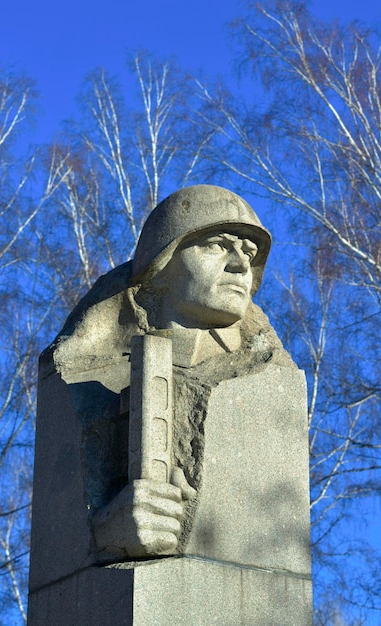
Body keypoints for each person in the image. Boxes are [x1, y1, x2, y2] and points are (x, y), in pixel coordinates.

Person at [51, 185, 294, 558]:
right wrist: (106, 532)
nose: (241, 265)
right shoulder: (87, 372)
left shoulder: (269, 375)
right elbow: (55, 536)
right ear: (160, 262)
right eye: (216, 244)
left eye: (249, 252)